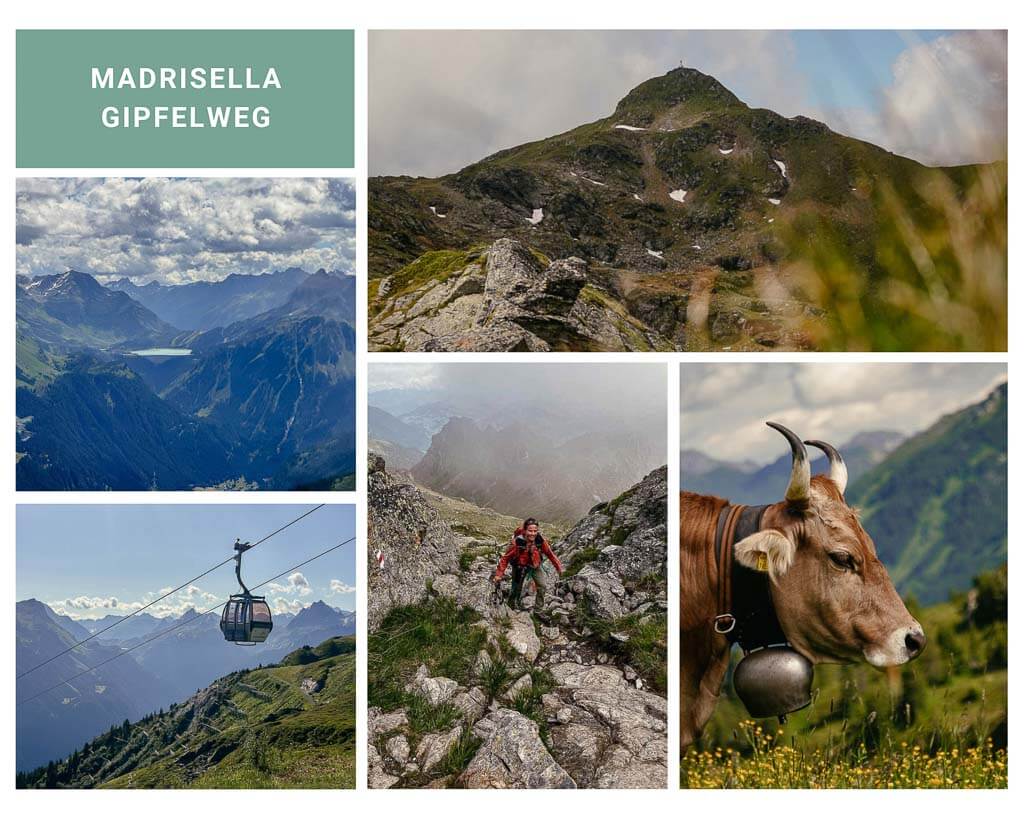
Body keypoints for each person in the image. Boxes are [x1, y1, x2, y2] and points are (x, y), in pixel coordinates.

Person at [492, 518, 563, 610]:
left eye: (535, 531)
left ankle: (538, 610)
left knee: (542, 586)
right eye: (530, 531)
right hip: (519, 567)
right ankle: (511, 605)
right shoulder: (516, 543)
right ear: (525, 531)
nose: (533, 533)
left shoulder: (540, 540)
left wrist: (558, 567)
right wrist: (499, 575)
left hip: (535, 566)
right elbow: (505, 559)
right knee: (516, 588)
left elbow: (549, 554)